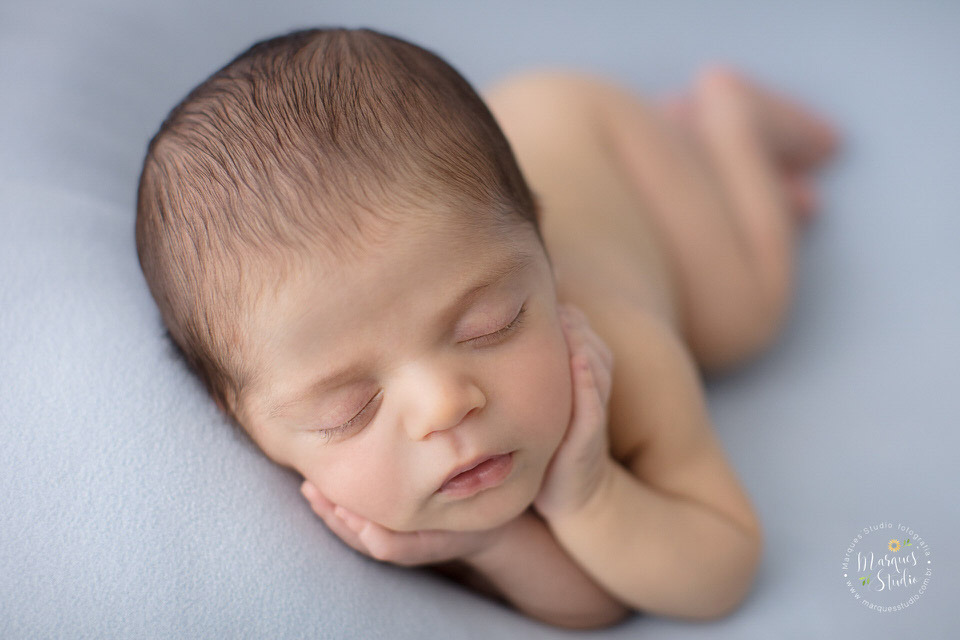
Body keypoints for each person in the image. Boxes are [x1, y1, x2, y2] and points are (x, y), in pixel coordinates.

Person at [135, 26, 838, 630]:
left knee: (739, 318)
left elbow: (720, 571)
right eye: (349, 408)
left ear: (543, 254)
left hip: (592, 132)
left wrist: (590, 495)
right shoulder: (325, 407)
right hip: (484, 161)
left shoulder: (620, 352)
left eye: (488, 325)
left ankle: (729, 122)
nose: (443, 405)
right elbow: (600, 605)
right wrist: (490, 544)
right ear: (245, 423)